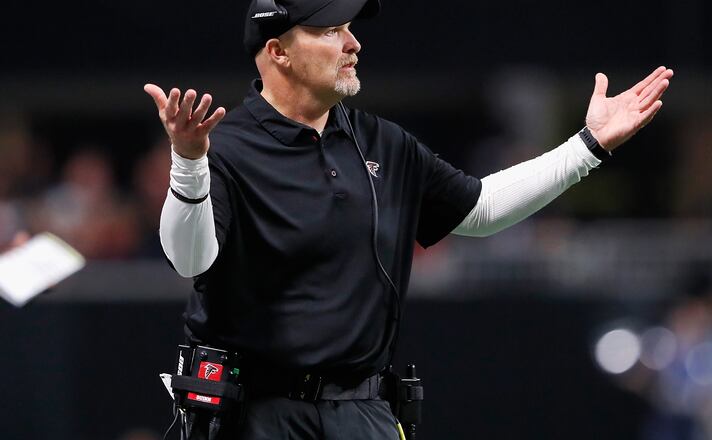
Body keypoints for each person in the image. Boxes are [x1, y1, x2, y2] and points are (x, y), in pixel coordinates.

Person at [143, 0, 673, 438]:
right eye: (331, 31)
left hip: (365, 412)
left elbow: (480, 210)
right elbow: (189, 259)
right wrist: (188, 163)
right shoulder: (227, 148)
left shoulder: (383, 142)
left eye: (350, 29)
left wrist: (589, 145)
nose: (353, 45)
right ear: (278, 52)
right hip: (255, 417)